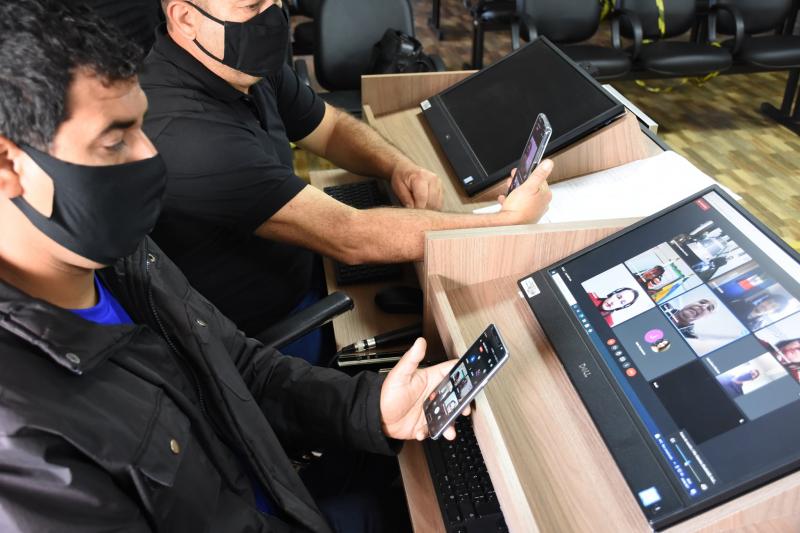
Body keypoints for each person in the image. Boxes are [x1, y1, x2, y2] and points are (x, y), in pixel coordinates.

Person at [0, 2, 466, 531]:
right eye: (114, 141)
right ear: (9, 165)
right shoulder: (22, 440)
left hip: (277, 487)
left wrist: (373, 407)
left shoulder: (121, 256)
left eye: (141, 127)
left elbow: (237, 367)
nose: (150, 156)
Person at [140, 0, 554, 363]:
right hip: (265, 343)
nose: (272, 16)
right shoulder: (188, 135)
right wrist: (505, 223)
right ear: (185, 17)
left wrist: (397, 166)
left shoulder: (240, 66)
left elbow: (330, 129)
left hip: (304, 276)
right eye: (251, 6)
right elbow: (351, 236)